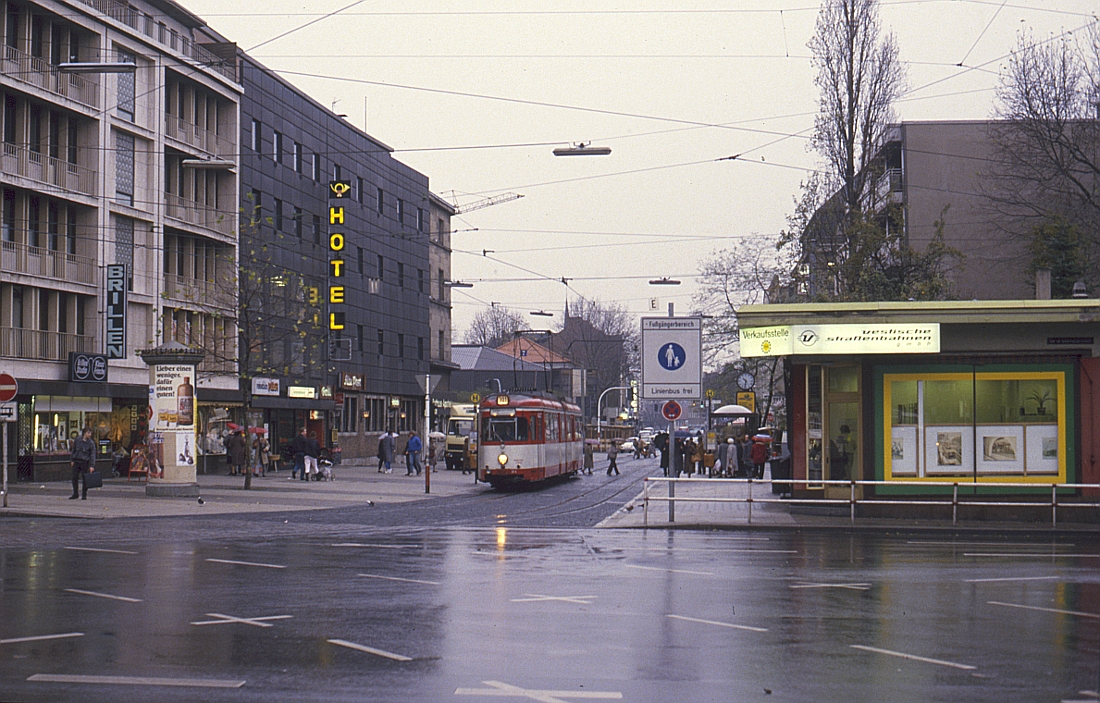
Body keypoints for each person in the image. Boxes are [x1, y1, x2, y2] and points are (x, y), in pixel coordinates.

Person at [70, 428, 96, 500]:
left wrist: (91, 465)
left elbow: (92, 455)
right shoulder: (78, 440)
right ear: (84, 433)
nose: (89, 434)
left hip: (85, 462)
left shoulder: (91, 443)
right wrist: (72, 460)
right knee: (74, 477)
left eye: (90, 433)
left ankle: (84, 494)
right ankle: (75, 493)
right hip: (77, 461)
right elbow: (73, 450)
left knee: (85, 478)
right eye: (88, 433)